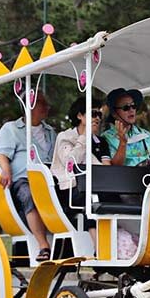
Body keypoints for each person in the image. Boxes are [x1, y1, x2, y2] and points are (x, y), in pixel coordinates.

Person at [0, 91, 56, 260]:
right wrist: (5, 170)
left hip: (49, 180)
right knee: (29, 194)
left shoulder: (50, 132)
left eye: (46, 103)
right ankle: (43, 246)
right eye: (41, 103)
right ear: (28, 105)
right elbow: (2, 154)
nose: (46, 107)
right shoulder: (11, 129)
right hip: (23, 180)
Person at [51, 99, 111, 242]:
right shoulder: (65, 137)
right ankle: (98, 246)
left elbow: (105, 169)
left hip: (95, 187)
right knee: (92, 199)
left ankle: (120, 244)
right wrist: (84, 137)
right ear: (79, 116)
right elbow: (70, 162)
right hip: (69, 191)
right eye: (93, 114)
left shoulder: (99, 141)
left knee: (113, 198)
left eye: (99, 115)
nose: (97, 118)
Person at [102, 88, 150, 167]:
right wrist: (122, 143)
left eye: (133, 106)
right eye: (126, 107)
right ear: (114, 113)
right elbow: (113, 168)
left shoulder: (145, 135)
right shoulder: (105, 138)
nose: (131, 110)